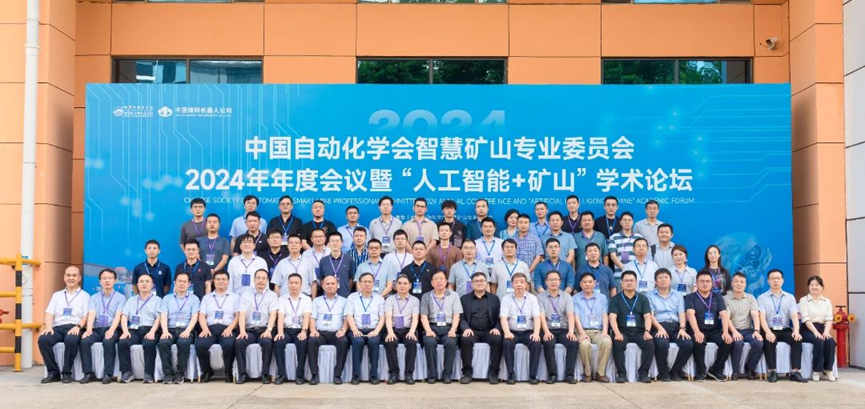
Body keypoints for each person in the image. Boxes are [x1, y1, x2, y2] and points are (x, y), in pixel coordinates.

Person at [38, 266, 90, 384]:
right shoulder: (57, 295)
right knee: (43, 339)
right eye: (68, 275)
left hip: (75, 327)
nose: (71, 278)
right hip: (57, 327)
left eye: (74, 275)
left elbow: (86, 316)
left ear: (79, 278)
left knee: (71, 340)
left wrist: (78, 327)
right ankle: (53, 372)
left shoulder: (85, 296)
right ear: (64, 277)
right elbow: (49, 313)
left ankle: (66, 373)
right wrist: (49, 327)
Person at [757, 269, 807, 382]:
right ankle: (772, 371)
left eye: (778, 278)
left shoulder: (790, 297)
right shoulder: (762, 298)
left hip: (785, 329)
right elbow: (761, 318)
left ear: (782, 280)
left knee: (797, 339)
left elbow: (794, 316)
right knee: (769, 340)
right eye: (773, 278)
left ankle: (795, 372)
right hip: (769, 328)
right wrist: (768, 332)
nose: (775, 281)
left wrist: (796, 331)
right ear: (768, 281)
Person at [79, 268, 125, 384]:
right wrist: (89, 329)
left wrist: (111, 330)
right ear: (100, 281)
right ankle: (88, 373)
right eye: (104, 278)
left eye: (110, 278)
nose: (107, 281)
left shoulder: (121, 297)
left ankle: (108, 373)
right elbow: (92, 313)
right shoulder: (94, 297)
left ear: (115, 280)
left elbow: (118, 316)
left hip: (112, 327)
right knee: (84, 341)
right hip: (97, 328)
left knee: (108, 341)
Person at [685, 270, 733, 382]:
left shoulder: (718, 297)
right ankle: (700, 372)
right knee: (698, 342)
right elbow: (690, 314)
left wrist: (725, 332)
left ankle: (716, 370)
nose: (705, 284)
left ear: (712, 283)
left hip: (713, 330)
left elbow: (724, 315)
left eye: (707, 281)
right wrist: (697, 332)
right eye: (702, 281)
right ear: (697, 283)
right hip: (697, 329)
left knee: (727, 341)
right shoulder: (690, 297)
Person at [648, 268, 693, 382]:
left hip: (675, 326)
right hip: (658, 325)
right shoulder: (650, 295)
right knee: (661, 344)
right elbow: (650, 315)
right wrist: (659, 328)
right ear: (655, 281)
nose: (663, 280)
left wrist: (682, 328)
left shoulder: (678, 294)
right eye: (660, 278)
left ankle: (675, 371)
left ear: (670, 280)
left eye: (666, 277)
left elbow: (681, 313)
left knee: (688, 344)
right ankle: (663, 372)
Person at [235, 269, 280, 384]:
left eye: (263, 278)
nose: (261, 280)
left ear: (267, 280)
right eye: (258, 278)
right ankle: (242, 374)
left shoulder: (272, 295)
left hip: (264, 329)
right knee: (239, 342)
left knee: (267, 342)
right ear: (254, 280)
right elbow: (242, 314)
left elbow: (273, 314)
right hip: (249, 330)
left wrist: (269, 330)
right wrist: (242, 331)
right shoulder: (246, 295)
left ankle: (265, 374)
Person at [608, 270, 654, 383]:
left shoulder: (643, 299)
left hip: (639, 331)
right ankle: (621, 374)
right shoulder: (615, 299)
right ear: (621, 283)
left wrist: (647, 331)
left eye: (632, 280)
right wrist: (617, 333)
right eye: (626, 280)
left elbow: (647, 317)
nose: (629, 283)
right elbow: (612, 318)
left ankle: (643, 373)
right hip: (622, 331)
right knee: (618, 344)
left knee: (649, 344)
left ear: (636, 282)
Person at [196, 270, 241, 383]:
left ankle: (228, 371)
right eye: (218, 279)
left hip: (227, 328)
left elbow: (238, 316)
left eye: (224, 279)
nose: (221, 281)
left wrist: (230, 328)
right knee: (200, 345)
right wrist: (205, 329)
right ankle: (207, 371)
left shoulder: (235, 297)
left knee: (229, 345)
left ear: (228, 281)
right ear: (214, 281)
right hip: (210, 328)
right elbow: (201, 315)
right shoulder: (207, 298)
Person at [458, 272, 503, 385]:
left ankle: (493, 373)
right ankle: (467, 372)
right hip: (472, 330)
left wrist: (497, 328)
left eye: (482, 280)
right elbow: (461, 318)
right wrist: (466, 328)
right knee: (465, 339)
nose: (479, 283)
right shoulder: (464, 299)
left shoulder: (494, 298)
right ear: (472, 284)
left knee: (497, 339)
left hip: (489, 330)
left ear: (486, 283)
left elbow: (500, 317)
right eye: (476, 281)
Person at [157, 271, 200, 384]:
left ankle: (180, 374)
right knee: (163, 343)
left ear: (189, 284)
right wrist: (165, 331)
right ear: (175, 282)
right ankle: (168, 374)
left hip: (186, 329)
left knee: (183, 343)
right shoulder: (167, 298)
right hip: (170, 329)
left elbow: (194, 317)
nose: (182, 284)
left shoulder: (194, 299)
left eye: (184, 281)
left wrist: (187, 331)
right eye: (179, 281)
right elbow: (163, 315)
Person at [420, 270, 463, 384]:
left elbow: (457, 315)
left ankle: (447, 374)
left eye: (441, 279)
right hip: (432, 327)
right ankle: (432, 374)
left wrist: (453, 329)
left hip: (448, 327)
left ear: (446, 281)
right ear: (432, 283)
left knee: (451, 343)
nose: (439, 281)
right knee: (429, 342)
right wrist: (428, 330)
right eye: (436, 279)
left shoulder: (454, 295)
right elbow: (423, 316)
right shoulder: (426, 296)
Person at [118, 274, 162, 383]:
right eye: (141, 281)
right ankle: (127, 372)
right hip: (133, 330)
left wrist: (152, 332)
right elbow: (124, 316)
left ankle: (148, 373)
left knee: (149, 344)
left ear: (152, 285)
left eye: (147, 281)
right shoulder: (131, 300)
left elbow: (159, 318)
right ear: (137, 285)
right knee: (122, 342)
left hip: (150, 329)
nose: (144, 284)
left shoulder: (158, 300)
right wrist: (125, 331)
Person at [500, 272, 542, 385]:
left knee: (536, 344)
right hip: (512, 331)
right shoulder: (506, 299)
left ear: (526, 285)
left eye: (522, 282)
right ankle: (510, 374)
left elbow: (537, 317)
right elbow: (503, 318)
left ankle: (533, 375)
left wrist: (536, 333)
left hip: (528, 332)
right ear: (512, 284)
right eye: (516, 282)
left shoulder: (533, 298)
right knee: (507, 343)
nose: (519, 284)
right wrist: (507, 332)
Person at [308, 275, 350, 385]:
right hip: (320, 333)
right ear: (322, 286)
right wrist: (312, 330)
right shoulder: (316, 301)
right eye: (327, 284)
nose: (330, 286)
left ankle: (337, 375)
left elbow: (347, 319)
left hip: (336, 333)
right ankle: (314, 375)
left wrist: (343, 330)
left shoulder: (344, 301)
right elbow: (312, 318)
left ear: (338, 285)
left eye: (333, 283)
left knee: (344, 342)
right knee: (312, 341)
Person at [538, 270, 579, 384]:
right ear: (546, 282)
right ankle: (552, 375)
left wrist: (571, 331)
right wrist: (546, 332)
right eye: (550, 280)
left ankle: (569, 375)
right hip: (548, 328)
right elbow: (541, 316)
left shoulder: (567, 296)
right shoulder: (540, 297)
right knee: (548, 343)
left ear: (560, 282)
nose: (553, 282)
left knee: (573, 342)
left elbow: (570, 315)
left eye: (556, 279)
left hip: (563, 329)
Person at [345, 272, 386, 384]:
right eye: (365, 282)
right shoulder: (352, 297)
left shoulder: (380, 299)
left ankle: (374, 375)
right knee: (357, 341)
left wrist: (376, 331)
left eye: (370, 282)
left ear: (373, 284)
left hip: (374, 330)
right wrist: (354, 330)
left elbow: (382, 318)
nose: (367, 284)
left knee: (374, 342)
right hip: (356, 329)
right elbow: (349, 315)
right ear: (359, 283)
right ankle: (356, 375)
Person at [274, 273, 313, 385]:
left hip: (300, 329)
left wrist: (304, 331)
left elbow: (306, 316)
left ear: (301, 285)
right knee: (278, 342)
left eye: (296, 283)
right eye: (291, 283)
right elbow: (280, 316)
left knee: (303, 342)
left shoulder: (307, 299)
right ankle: (281, 374)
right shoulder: (282, 299)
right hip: (286, 329)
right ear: (287, 284)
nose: (294, 285)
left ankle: (299, 375)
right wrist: (280, 332)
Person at [724, 272, 764, 381]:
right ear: (732, 283)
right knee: (738, 343)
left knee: (758, 343)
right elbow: (726, 318)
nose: (739, 284)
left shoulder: (750, 298)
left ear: (745, 284)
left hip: (748, 330)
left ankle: (750, 369)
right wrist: (734, 332)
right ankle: (735, 371)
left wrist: (756, 330)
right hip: (733, 329)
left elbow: (755, 314)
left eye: (742, 282)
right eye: (736, 281)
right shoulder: (726, 299)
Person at [573, 272, 612, 383]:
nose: (587, 284)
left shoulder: (602, 298)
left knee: (606, 342)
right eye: (584, 282)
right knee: (584, 345)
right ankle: (588, 373)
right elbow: (576, 318)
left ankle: (600, 373)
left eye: (590, 282)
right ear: (580, 284)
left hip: (598, 331)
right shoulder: (575, 298)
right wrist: (582, 333)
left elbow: (605, 315)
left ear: (595, 283)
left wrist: (605, 331)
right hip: (582, 330)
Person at [383, 275, 420, 384]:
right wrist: (390, 332)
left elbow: (415, 318)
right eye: (399, 283)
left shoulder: (415, 300)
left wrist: (412, 332)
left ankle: (409, 374)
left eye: (405, 283)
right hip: (393, 329)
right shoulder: (389, 299)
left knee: (412, 342)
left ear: (410, 286)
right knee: (390, 342)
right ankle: (394, 373)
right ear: (395, 286)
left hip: (408, 329)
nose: (402, 286)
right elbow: (388, 317)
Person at [799, 275, 837, 382]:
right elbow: (806, 318)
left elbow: (829, 318)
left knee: (830, 341)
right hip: (808, 328)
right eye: (811, 285)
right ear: (808, 287)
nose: (814, 287)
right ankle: (816, 370)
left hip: (822, 327)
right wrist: (815, 332)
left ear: (822, 287)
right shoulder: (804, 300)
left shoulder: (827, 301)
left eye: (817, 285)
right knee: (819, 341)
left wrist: (826, 332)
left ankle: (828, 370)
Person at [608, 211, 643, 287]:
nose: (627, 222)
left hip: (636, 275)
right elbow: (612, 256)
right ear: (620, 222)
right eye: (625, 220)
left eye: (629, 220)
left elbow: (641, 255)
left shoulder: (639, 237)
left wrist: (631, 271)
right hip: (619, 276)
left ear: (632, 222)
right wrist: (625, 269)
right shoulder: (614, 237)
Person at [228, 233, 268, 297]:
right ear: (240, 246)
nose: (247, 244)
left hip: (256, 298)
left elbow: (265, 282)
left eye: (249, 242)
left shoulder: (261, 262)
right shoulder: (233, 262)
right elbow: (229, 282)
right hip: (237, 297)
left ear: (254, 246)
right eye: (244, 242)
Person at [318, 231, 356, 298]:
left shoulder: (349, 260)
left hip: (344, 296)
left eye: (337, 241)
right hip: (328, 297)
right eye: (332, 241)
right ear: (329, 243)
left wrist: (346, 290)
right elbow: (322, 279)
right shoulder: (323, 261)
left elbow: (351, 279)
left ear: (341, 243)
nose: (335, 243)